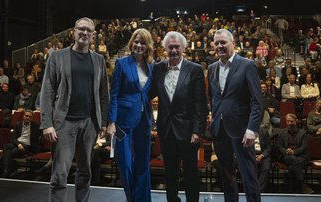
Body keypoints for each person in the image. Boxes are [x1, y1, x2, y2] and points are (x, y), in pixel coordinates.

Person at [40, 17, 109, 202]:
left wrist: (103, 121)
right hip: (64, 123)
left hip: (89, 123)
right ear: (74, 31)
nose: (84, 33)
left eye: (89, 30)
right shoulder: (57, 56)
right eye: (81, 29)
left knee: (85, 173)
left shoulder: (99, 60)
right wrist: (47, 124)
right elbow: (46, 92)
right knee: (59, 175)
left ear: (93, 35)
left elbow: (103, 94)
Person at [151, 31, 208, 202]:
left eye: (177, 47)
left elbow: (200, 103)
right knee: (170, 172)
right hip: (166, 130)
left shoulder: (195, 69)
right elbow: (149, 93)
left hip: (188, 131)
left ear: (183, 48)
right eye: (170, 47)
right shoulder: (158, 68)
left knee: (190, 172)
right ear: (165, 49)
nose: (174, 50)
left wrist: (197, 131)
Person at [207, 29, 262, 202]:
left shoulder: (247, 65)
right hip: (220, 128)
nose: (220, 46)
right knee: (226, 175)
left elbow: (257, 102)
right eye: (216, 43)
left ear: (233, 44)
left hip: (242, 129)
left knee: (248, 174)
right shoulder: (211, 68)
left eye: (223, 42)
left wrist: (252, 129)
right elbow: (215, 98)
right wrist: (214, 119)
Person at [106, 28, 154, 202]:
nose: (139, 45)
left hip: (144, 120)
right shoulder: (121, 63)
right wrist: (111, 121)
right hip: (121, 122)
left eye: (142, 42)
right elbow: (114, 94)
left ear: (147, 45)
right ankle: (131, 198)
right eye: (136, 41)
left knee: (142, 163)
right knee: (125, 163)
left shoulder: (151, 65)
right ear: (131, 43)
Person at [1, 110, 41, 177]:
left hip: (27, 146)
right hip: (17, 143)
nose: (27, 117)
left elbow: (44, 131)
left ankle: (7, 170)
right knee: (6, 146)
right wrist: (18, 144)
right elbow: (13, 138)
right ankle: (7, 170)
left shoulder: (36, 126)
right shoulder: (18, 124)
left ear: (32, 118)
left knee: (11, 152)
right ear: (23, 116)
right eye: (26, 116)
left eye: (29, 116)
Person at [277, 113, 308, 193]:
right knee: (293, 159)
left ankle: (291, 189)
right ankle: (302, 184)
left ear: (296, 121)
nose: (289, 123)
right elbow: (279, 146)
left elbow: (303, 147)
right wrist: (286, 151)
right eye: (288, 121)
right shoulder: (281, 133)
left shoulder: (303, 133)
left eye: (291, 121)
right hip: (287, 156)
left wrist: (294, 152)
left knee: (292, 167)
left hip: (301, 156)